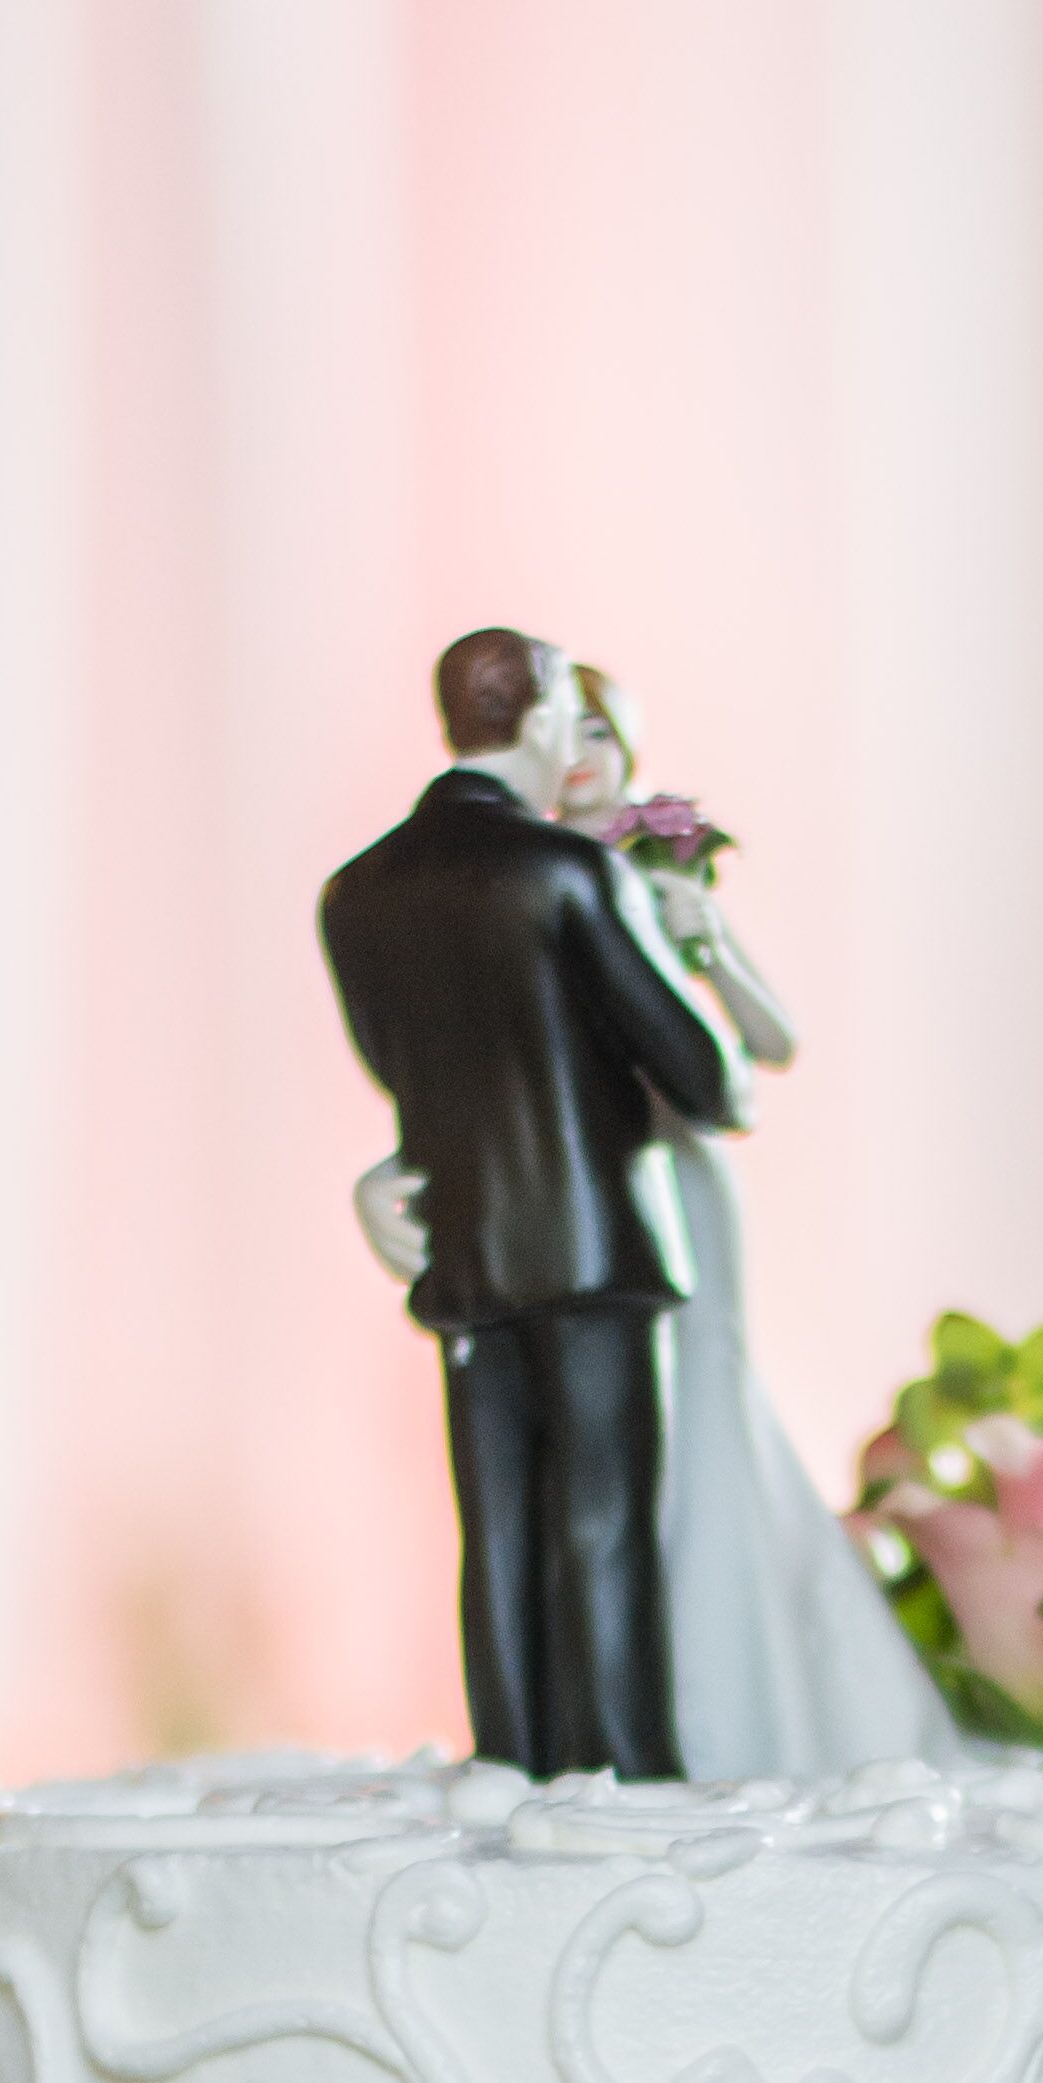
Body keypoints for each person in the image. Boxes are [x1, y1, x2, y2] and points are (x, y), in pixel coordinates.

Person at [319, 626, 740, 1779]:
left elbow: (400, 1068)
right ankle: (625, 1772)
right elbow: (702, 1077)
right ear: (547, 714)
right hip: (590, 1249)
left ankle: (511, 1764)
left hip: (461, 1247)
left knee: (496, 1529)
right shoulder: (567, 871)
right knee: (601, 1520)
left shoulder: (355, 894)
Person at [556, 667, 954, 1778]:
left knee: (707, 1396)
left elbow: (770, 1046)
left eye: (603, 728)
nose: (583, 750)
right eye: (566, 726)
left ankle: (751, 1697)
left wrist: (708, 942)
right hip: (586, 1179)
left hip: (676, 1175)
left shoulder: (650, 879)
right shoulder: (535, 883)